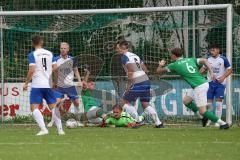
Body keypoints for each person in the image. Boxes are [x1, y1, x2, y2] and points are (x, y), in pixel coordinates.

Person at [156, 48, 229, 129]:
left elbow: (158, 71)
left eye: (171, 55)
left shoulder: (174, 65)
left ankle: (223, 124)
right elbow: (205, 60)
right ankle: (203, 117)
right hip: (202, 83)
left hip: (199, 86)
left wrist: (160, 65)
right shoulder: (190, 59)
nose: (171, 57)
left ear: (173, 55)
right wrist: (211, 72)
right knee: (186, 101)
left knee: (203, 111)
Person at [116, 40, 163, 128]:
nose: (116, 50)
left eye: (118, 48)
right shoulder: (135, 55)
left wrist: (129, 85)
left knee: (124, 102)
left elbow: (130, 71)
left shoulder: (124, 57)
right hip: (145, 80)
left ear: (123, 48)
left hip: (136, 81)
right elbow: (144, 68)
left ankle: (137, 121)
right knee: (145, 103)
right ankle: (159, 123)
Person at [23, 35, 64, 136]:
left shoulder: (33, 54)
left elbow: (32, 70)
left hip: (37, 85)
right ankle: (60, 130)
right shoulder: (50, 53)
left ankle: (44, 129)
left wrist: (26, 83)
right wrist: (55, 82)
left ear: (33, 43)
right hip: (48, 84)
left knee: (34, 107)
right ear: (41, 42)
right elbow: (55, 68)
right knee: (53, 107)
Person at [47, 42, 83, 127]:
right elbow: (53, 72)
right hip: (59, 86)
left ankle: (78, 121)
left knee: (77, 103)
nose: (63, 50)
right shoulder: (55, 59)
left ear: (68, 49)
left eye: (64, 48)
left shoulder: (72, 59)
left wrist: (79, 80)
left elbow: (75, 70)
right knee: (57, 102)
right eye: (61, 48)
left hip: (70, 85)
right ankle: (52, 121)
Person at [200, 44, 232, 127]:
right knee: (209, 104)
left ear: (218, 50)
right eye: (211, 50)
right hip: (210, 83)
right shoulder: (208, 59)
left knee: (218, 103)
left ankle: (218, 121)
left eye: (213, 50)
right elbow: (203, 69)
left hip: (220, 84)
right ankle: (209, 121)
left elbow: (229, 70)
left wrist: (223, 77)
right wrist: (197, 73)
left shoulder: (223, 59)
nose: (212, 52)